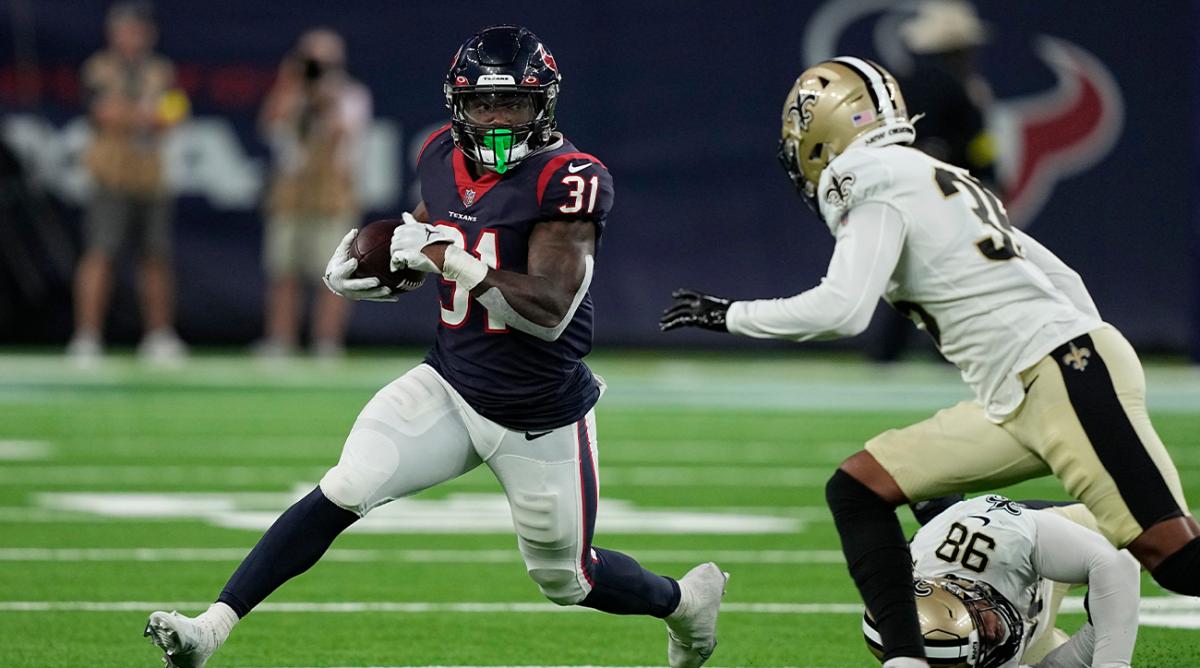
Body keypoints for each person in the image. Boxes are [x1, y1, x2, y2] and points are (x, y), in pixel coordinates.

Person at [146, 25, 727, 668]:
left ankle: (684, 603)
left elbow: (552, 311)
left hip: (537, 413)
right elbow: (429, 229)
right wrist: (381, 263)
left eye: (515, 104)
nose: (498, 118)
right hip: (449, 383)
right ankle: (211, 628)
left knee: (568, 579)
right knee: (346, 486)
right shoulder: (439, 156)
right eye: (484, 104)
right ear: (460, 106)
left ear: (545, 106)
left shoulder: (570, 178)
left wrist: (456, 263)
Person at [660, 56, 1198, 667]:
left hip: (1056, 371)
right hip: (1027, 387)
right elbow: (1063, 277)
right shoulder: (934, 171)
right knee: (860, 487)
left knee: (1174, 557)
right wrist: (1081, 352)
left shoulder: (859, 174)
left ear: (822, 135)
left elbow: (844, 310)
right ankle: (906, 659)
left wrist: (730, 315)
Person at [863, 495, 1139, 667]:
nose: (995, 635)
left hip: (1031, 555)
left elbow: (1119, 563)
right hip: (1030, 628)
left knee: (1155, 541)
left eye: (981, 626)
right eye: (983, 645)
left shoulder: (997, 539)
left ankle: (938, 503)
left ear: (962, 592)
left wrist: (1112, 662)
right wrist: (1092, 637)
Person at [870, 0, 1000, 363]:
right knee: (954, 275)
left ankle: (885, 354)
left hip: (900, 192)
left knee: (906, 275)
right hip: (948, 197)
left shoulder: (900, 85)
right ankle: (948, 351)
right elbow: (980, 145)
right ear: (957, 50)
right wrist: (990, 181)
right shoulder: (962, 89)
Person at [68, 1, 188, 364]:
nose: (134, 37)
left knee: (156, 257)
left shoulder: (160, 70)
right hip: (111, 174)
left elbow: (176, 112)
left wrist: (146, 116)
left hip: (150, 176)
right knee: (100, 253)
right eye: (127, 29)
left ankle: (159, 335)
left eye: (140, 29)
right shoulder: (99, 68)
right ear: (114, 33)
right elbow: (103, 112)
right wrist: (145, 116)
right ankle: (87, 336)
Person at [255, 28, 373, 358]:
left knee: (334, 272)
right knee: (284, 271)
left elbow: (343, 136)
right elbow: (269, 125)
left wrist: (327, 100)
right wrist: (291, 86)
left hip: (332, 193)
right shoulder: (290, 93)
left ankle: (326, 342)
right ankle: (280, 339)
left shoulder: (351, 94)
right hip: (291, 192)